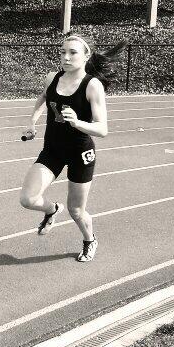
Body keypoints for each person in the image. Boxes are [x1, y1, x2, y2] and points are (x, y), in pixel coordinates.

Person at [19, 33, 126, 262]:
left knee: (76, 211)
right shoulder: (52, 78)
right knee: (27, 199)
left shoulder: (92, 86)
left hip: (80, 153)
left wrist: (77, 123)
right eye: (62, 52)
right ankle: (51, 210)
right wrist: (33, 121)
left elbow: (103, 129)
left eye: (73, 52)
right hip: (53, 150)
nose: (65, 57)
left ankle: (90, 239)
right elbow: (43, 99)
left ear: (86, 56)